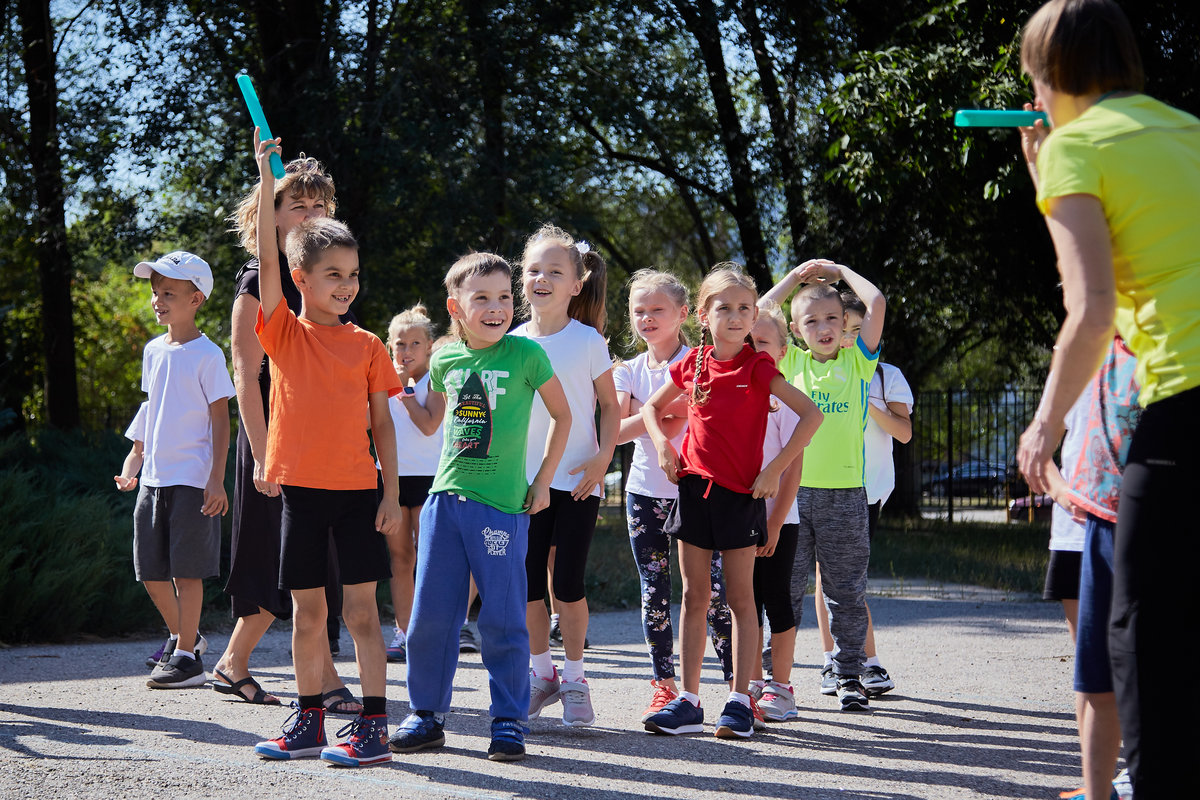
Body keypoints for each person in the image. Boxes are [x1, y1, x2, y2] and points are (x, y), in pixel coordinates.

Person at [1015, 1, 1200, 794]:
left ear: (1054, 74)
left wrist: (1043, 426)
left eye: (1034, 77)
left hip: (1183, 403)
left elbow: (1089, 311)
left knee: (1141, 633)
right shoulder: (1186, 130)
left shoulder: (1077, 146)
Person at [247, 133, 402, 768]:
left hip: (359, 494)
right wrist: (267, 182)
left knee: (362, 614)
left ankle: (374, 726)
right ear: (301, 279)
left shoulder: (368, 346)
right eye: (333, 275)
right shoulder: (282, 331)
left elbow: (384, 425)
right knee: (307, 615)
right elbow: (266, 253)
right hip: (302, 495)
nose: (346, 285)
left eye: (353, 275)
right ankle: (308, 719)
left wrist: (391, 493)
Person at [389, 252, 571, 762]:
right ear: (456, 307)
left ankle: (509, 720)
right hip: (444, 503)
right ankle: (426, 715)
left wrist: (543, 481)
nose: (496, 308)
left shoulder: (527, 355)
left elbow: (564, 416)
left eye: (505, 297)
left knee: (503, 620)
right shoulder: (444, 360)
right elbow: (434, 423)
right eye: (482, 298)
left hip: (502, 509)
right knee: (429, 617)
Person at [641, 265, 821, 739]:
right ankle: (689, 700)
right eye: (725, 308)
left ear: (754, 315)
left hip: (741, 497)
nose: (737, 316)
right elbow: (651, 408)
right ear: (704, 315)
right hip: (693, 493)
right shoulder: (694, 363)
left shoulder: (758, 367)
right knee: (694, 597)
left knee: (742, 600)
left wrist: (774, 469)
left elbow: (811, 415)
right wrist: (662, 446)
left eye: (745, 308)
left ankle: (741, 701)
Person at [216, 152, 359, 712]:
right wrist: (262, 452)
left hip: (319, 442)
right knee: (281, 559)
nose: (310, 214)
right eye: (297, 205)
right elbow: (245, 375)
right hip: (273, 442)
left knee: (307, 560)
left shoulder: (323, 281)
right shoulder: (257, 281)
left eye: (319, 205)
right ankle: (322, 680)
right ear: (270, 215)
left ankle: (234, 664)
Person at [762, 258, 886, 712]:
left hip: (846, 496)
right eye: (811, 321)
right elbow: (758, 315)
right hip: (791, 497)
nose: (823, 327)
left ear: (845, 323)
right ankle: (774, 678)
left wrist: (841, 271)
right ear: (795, 331)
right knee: (784, 590)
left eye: (832, 318)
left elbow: (877, 302)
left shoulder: (858, 363)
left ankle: (849, 673)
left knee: (846, 591)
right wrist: (794, 278)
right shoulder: (790, 361)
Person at [614, 269, 734, 724]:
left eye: (657, 309)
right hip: (644, 492)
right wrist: (663, 415)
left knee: (713, 593)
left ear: (683, 313)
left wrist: (648, 414)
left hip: (697, 491)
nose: (646, 317)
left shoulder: (701, 362)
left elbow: (700, 415)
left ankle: (738, 688)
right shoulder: (627, 370)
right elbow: (616, 431)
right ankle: (664, 687)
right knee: (655, 592)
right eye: (638, 311)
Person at [511, 225, 619, 728]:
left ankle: (575, 678)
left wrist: (602, 460)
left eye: (555, 271)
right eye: (534, 269)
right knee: (528, 585)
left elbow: (610, 407)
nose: (542, 278)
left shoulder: (589, 341)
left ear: (577, 284)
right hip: (522, 485)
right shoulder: (510, 342)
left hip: (578, 481)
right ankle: (541, 674)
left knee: (569, 585)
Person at [114, 251, 234, 690]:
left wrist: (216, 479)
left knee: (187, 573)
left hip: (193, 480)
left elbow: (221, 420)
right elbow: (153, 408)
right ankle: (188, 637)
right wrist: (134, 462)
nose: (157, 300)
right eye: (155, 292)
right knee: (150, 572)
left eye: (168, 293)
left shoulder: (208, 354)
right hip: (153, 480)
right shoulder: (153, 351)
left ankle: (186, 658)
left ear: (196, 299)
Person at [1044, 337, 1139, 800]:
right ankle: (1097, 782)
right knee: (1090, 662)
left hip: (1126, 522)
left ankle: (1131, 773)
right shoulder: (1072, 365)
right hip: (1074, 534)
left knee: (1130, 658)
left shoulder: (1139, 364)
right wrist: (1064, 495)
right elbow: (1041, 451)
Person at [806, 292, 913, 697]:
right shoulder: (813, 371)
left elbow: (904, 432)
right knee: (828, 577)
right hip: (825, 485)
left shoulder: (885, 375)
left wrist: (867, 404)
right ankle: (838, 660)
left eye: (856, 329)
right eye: (843, 328)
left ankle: (863, 661)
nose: (848, 337)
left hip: (868, 491)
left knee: (849, 581)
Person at [746, 299, 805, 722]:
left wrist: (776, 521)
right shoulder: (734, 394)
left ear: (783, 351)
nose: (753, 349)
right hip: (739, 517)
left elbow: (793, 468)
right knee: (743, 601)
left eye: (763, 342)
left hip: (779, 519)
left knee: (776, 599)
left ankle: (781, 687)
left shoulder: (785, 400)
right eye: (748, 341)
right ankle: (751, 683)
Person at [381, 304, 445, 664]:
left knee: (430, 560)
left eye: (415, 343)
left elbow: (430, 425)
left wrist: (405, 395)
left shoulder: (435, 378)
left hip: (430, 478)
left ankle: (429, 632)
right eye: (400, 344)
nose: (406, 351)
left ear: (429, 346)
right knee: (401, 558)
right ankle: (403, 633)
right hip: (391, 479)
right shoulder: (381, 378)